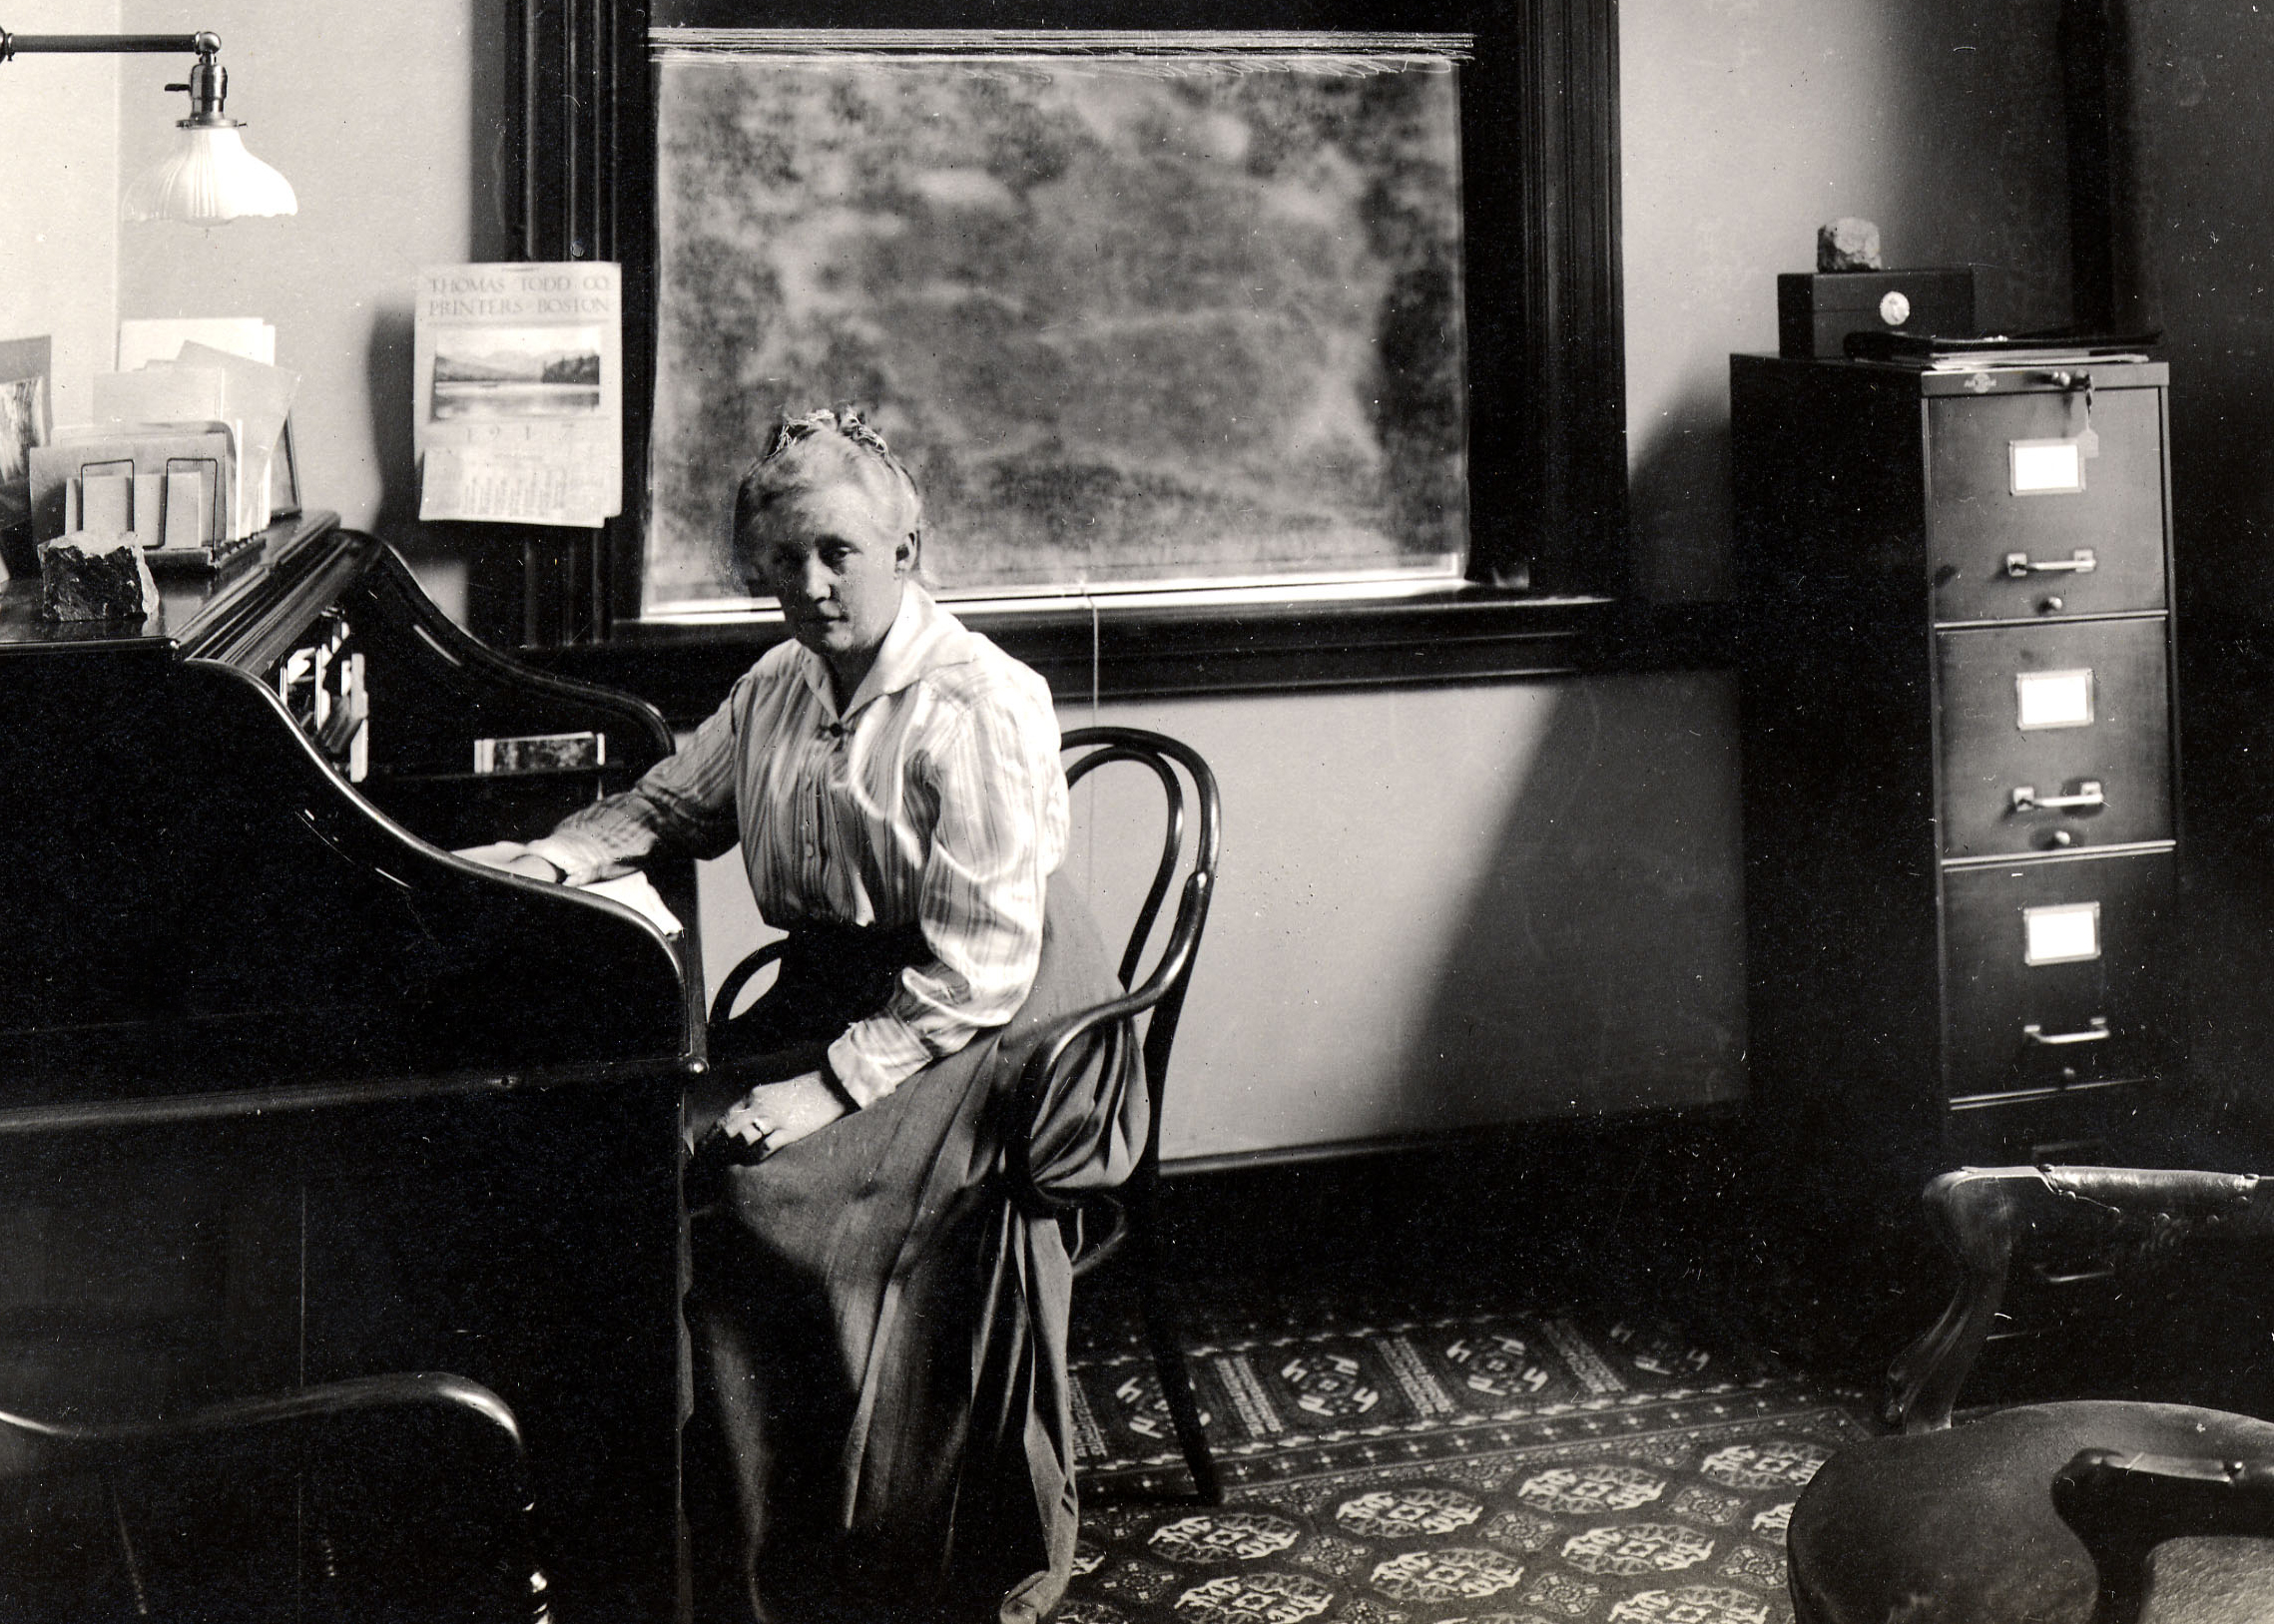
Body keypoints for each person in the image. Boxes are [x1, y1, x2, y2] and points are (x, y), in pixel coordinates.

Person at [465, 408, 1144, 1623]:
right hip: (856, 987)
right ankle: (731, 1544)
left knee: (752, 1195)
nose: (811, 585)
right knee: (656, 1149)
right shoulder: (778, 684)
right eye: (784, 560)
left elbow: (981, 961)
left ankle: (853, 1554)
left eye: (837, 552)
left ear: (906, 549)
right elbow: (673, 804)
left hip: (994, 1018)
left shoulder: (979, 702)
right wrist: (547, 861)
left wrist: (821, 1088)